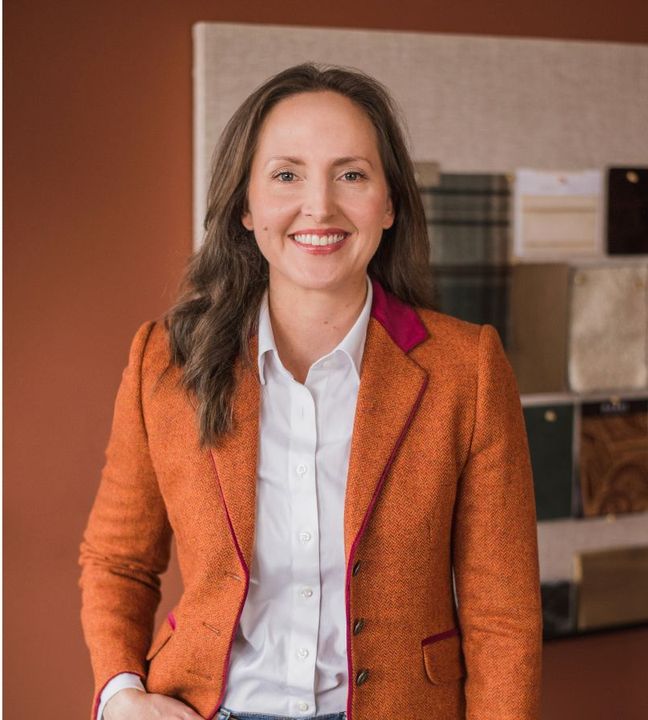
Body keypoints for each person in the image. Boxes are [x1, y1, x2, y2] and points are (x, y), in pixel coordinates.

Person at [78, 63, 541, 720]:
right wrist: (123, 695)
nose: (318, 207)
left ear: (388, 204)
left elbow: (504, 619)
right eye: (286, 174)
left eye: (351, 175)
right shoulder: (165, 359)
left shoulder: (467, 369)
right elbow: (117, 561)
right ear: (246, 205)